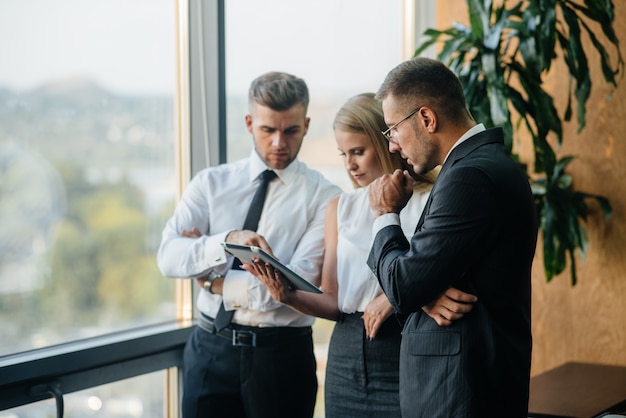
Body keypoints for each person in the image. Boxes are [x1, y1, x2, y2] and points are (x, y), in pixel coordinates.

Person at [245, 93, 477, 417]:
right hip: (346, 359)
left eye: (358, 151)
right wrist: (286, 295)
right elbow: (333, 301)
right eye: (343, 153)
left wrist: (399, 298)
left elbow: (439, 282)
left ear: (387, 143)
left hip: (408, 350)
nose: (350, 165)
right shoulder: (338, 208)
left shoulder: (434, 199)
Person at [157, 71, 342, 418]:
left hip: (282, 360)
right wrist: (225, 241)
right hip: (210, 350)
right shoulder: (210, 184)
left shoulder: (325, 197)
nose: (278, 143)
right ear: (248, 123)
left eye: (290, 131)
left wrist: (213, 281)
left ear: (306, 124)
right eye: (268, 130)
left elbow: (289, 286)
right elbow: (168, 257)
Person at [366, 57, 539, 417]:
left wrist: (385, 215)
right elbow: (425, 278)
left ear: (427, 119)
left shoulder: (469, 177)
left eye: (393, 130)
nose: (393, 146)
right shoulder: (487, 164)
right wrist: (425, 289)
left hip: (458, 393)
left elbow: (403, 286)